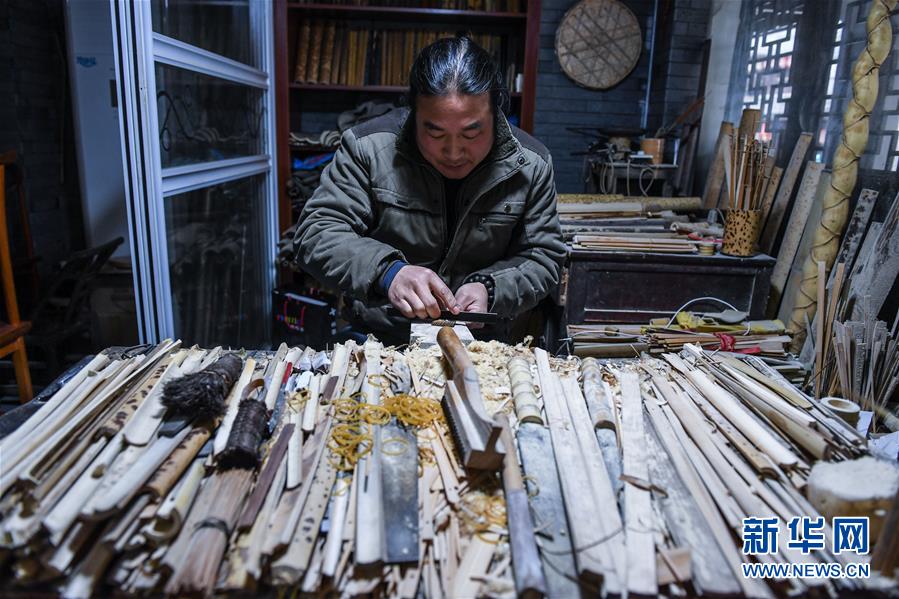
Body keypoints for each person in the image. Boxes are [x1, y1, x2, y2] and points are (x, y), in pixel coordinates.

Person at [292, 36, 566, 344]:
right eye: (434, 131)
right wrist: (388, 272)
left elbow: (544, 256)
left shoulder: (531, 163)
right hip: (381, 339)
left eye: (471, 132)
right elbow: (316, 234)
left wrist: (490, 288)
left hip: (482, 345)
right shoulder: (368, 147)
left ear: (496, 113)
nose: (452, 152)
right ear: (413, 113)